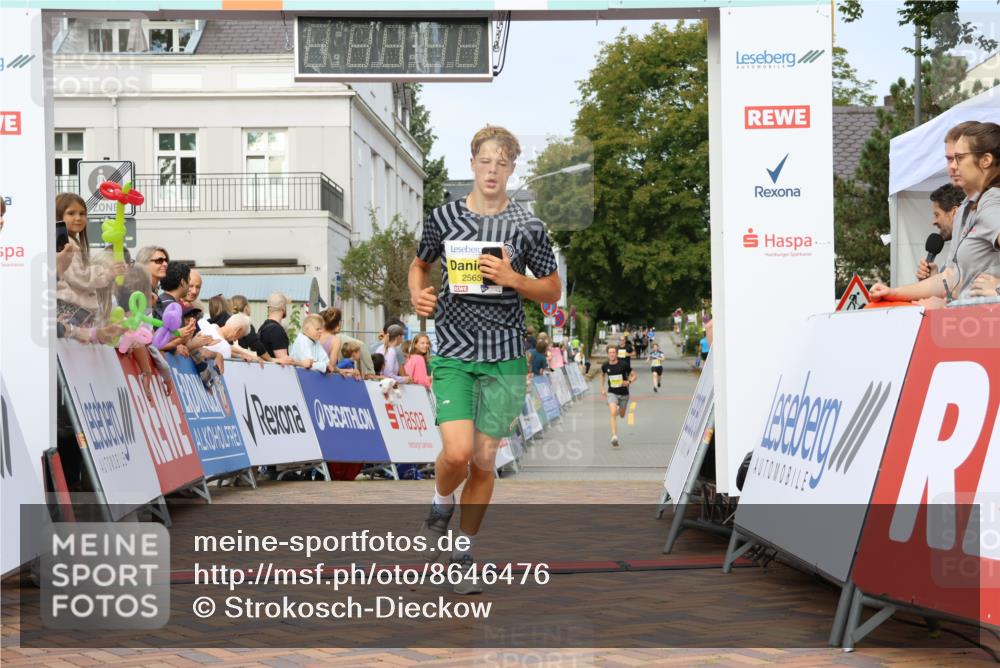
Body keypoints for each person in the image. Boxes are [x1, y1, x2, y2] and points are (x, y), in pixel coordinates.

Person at [409, 125, 561, 593]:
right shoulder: (444, 217)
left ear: (512, 169)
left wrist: (516, 279)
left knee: (483, 460)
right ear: (472, 163)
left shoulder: (527, 226)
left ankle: (462, 553)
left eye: (502, 163)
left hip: (506, 357)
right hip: (454, 351)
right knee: (456, 454)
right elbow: (420, 265)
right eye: (485, 161)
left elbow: (552, 291)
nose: (492, 170)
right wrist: (419, 297)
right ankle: (440, 501)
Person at [872, 122, 1000, 303]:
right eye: (951, 158)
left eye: (960, 157)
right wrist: (894, 293)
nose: (954, 166)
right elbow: (951, 277)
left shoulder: (992, 200)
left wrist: (998, 289)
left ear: (986, 160)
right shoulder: (968, 206)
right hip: (972, 322)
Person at [55, 192, 126, 327]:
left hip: (75, 311)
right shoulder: (67, 245)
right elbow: (80, 277)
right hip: (71, 311)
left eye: (82, 214)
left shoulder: (73, 242)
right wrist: (107, 272)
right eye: (71, 213)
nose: (78, 218)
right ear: (58, 216)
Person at [915, 184, 966, 280]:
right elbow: (949, 290)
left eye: (937, 214)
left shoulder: (972, 247)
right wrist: (934, 278)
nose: (933, 221)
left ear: (955, 212)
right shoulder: (956, 247)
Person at [601, 343, 636, 448]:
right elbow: (602, 375)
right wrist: (602, 388)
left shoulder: (623, 364)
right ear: (607, 354)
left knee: (621, 415)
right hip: (612, 392)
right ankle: (614, 436)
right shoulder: (605, 366)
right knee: (612, 413)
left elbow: (634, 375)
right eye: (610, 353)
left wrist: (629, 381)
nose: (611, 354)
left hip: (624, 394)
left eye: (613, 352)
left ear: (616, 354)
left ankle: (618, 409)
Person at [258, 291, 300, 365]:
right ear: (283, 308)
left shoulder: (262, 327)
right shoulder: (276, 330)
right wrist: (303, 363)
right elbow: (285, 361)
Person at [230, 294, 269, 359]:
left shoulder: (229, 321)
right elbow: (256, 345)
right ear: (246, 308)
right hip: (242, 362)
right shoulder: (246, 325)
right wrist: (271, 359)